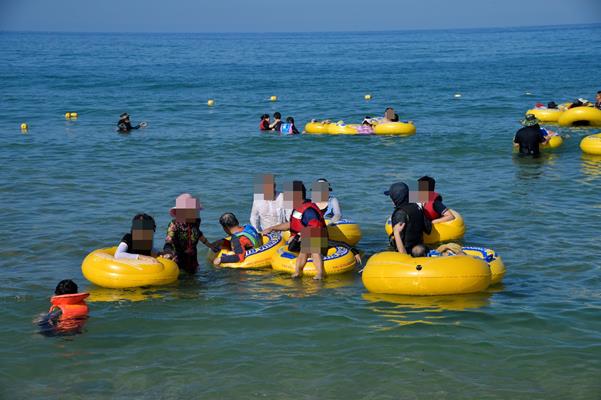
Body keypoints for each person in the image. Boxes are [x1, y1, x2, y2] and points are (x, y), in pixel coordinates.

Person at [263, 181, 327, 279]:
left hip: (317, 239)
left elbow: (315, 227)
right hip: (301, 240)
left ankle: (320, 273)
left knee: (309, 247)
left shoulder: (309, 210)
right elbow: (292, 224)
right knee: (304, 248)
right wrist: (272, 228)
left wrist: (302, 235)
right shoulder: (297, 208)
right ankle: (298, 272)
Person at [162, 193, 219, 273]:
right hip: (177, 260)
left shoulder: (195, 221)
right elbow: (169, 240)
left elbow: (198, 234)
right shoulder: (174, 224)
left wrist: (210, 245)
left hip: (192, 260)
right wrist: (167, 252)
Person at [385, 182, 431, 255]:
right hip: (420, 250)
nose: (391, 200)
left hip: (406, 253)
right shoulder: (417, 206)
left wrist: (396, 232)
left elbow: (399, 244)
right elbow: (428, 230)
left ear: (396, 198)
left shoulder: (399, 214)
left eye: (392, 197)